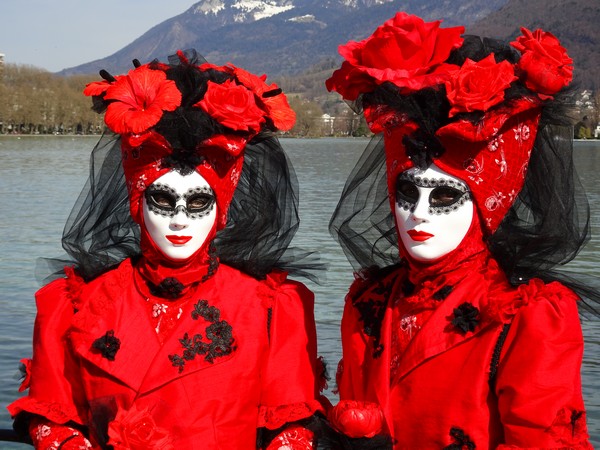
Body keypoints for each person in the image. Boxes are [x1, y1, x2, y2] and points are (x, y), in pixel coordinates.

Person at [8, 50, 326, 449]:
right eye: (162, 200)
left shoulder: (271, 309)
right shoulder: (75, 305)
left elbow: (291, 427)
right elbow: (52, 416)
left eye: (197, 203)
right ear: (137, 204)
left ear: (221, 211)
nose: (179, 220)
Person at [324, 12, 597, 448]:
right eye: (406, 193)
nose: (419, 214)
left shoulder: (526, 315)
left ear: (490, 201)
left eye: (445, 197)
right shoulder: (370, 301)